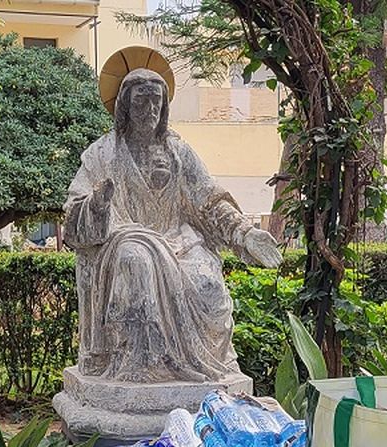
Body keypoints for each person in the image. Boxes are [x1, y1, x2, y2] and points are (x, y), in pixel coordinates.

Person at [63, 59, 281, 384]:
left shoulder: (179, 151)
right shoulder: (102, 154)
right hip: (125, 239)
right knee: (137, 266)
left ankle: (197, 371)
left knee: (208, 284)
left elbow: (209, 200)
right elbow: (72, 216)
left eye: (156, 101)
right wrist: (98, 204)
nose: (149, 108)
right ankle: (138, 370)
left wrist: (245, 233)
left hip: (179, 240)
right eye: (141, 100)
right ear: (124, 104)